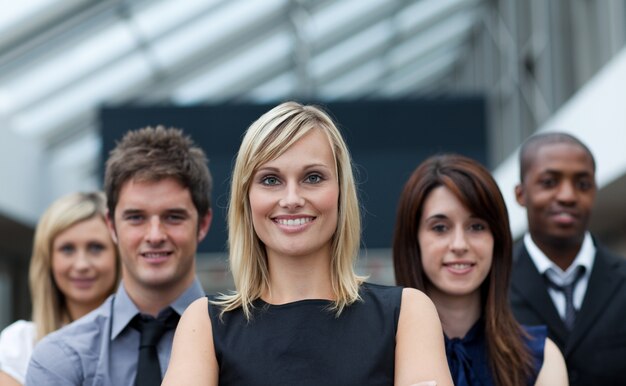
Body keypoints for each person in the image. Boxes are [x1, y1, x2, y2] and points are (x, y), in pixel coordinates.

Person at [163, 101, 453, 386]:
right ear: (245, 198)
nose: (291, 199)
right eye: (270, 180)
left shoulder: (406, 314)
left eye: (313, 177)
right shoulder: (204, 324)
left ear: (341, 192)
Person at [25, 126, 213, 386]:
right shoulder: (60, 357)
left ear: (203, 224)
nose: (155, 235)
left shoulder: (246, 343)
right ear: (111, 225)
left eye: (173, 217)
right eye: (136, 217)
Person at [393, 154, 568, 386]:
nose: (459, 245)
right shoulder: (379, 352)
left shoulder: (541, 357)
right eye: (440, 227)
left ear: (497, 239)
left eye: (476, 227)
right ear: (413, 240)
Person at [510, 132, 626, 386]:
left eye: (582, 184)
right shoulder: (493, 285)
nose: (568, 196)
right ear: (521, 194)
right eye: (550, 182)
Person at [0, 191, 119, 386]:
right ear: (48, 260)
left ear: (118, 255)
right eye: (67, 249)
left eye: (96, 247)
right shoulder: (19, 343)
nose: (81, 264)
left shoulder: (147, 340)